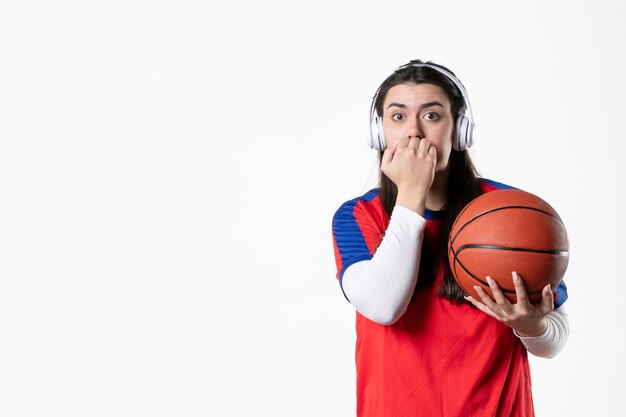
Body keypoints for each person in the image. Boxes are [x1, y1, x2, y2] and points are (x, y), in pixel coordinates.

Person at [331, 60, 570, 417]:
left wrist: (530, 325)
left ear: (460, 130)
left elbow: (555, 337)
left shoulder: (512, 212)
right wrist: (412, 195)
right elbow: (383, 307)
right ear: (378, 134)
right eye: (398, 117)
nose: (414, 132)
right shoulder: (357, 216)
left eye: (431, 116)